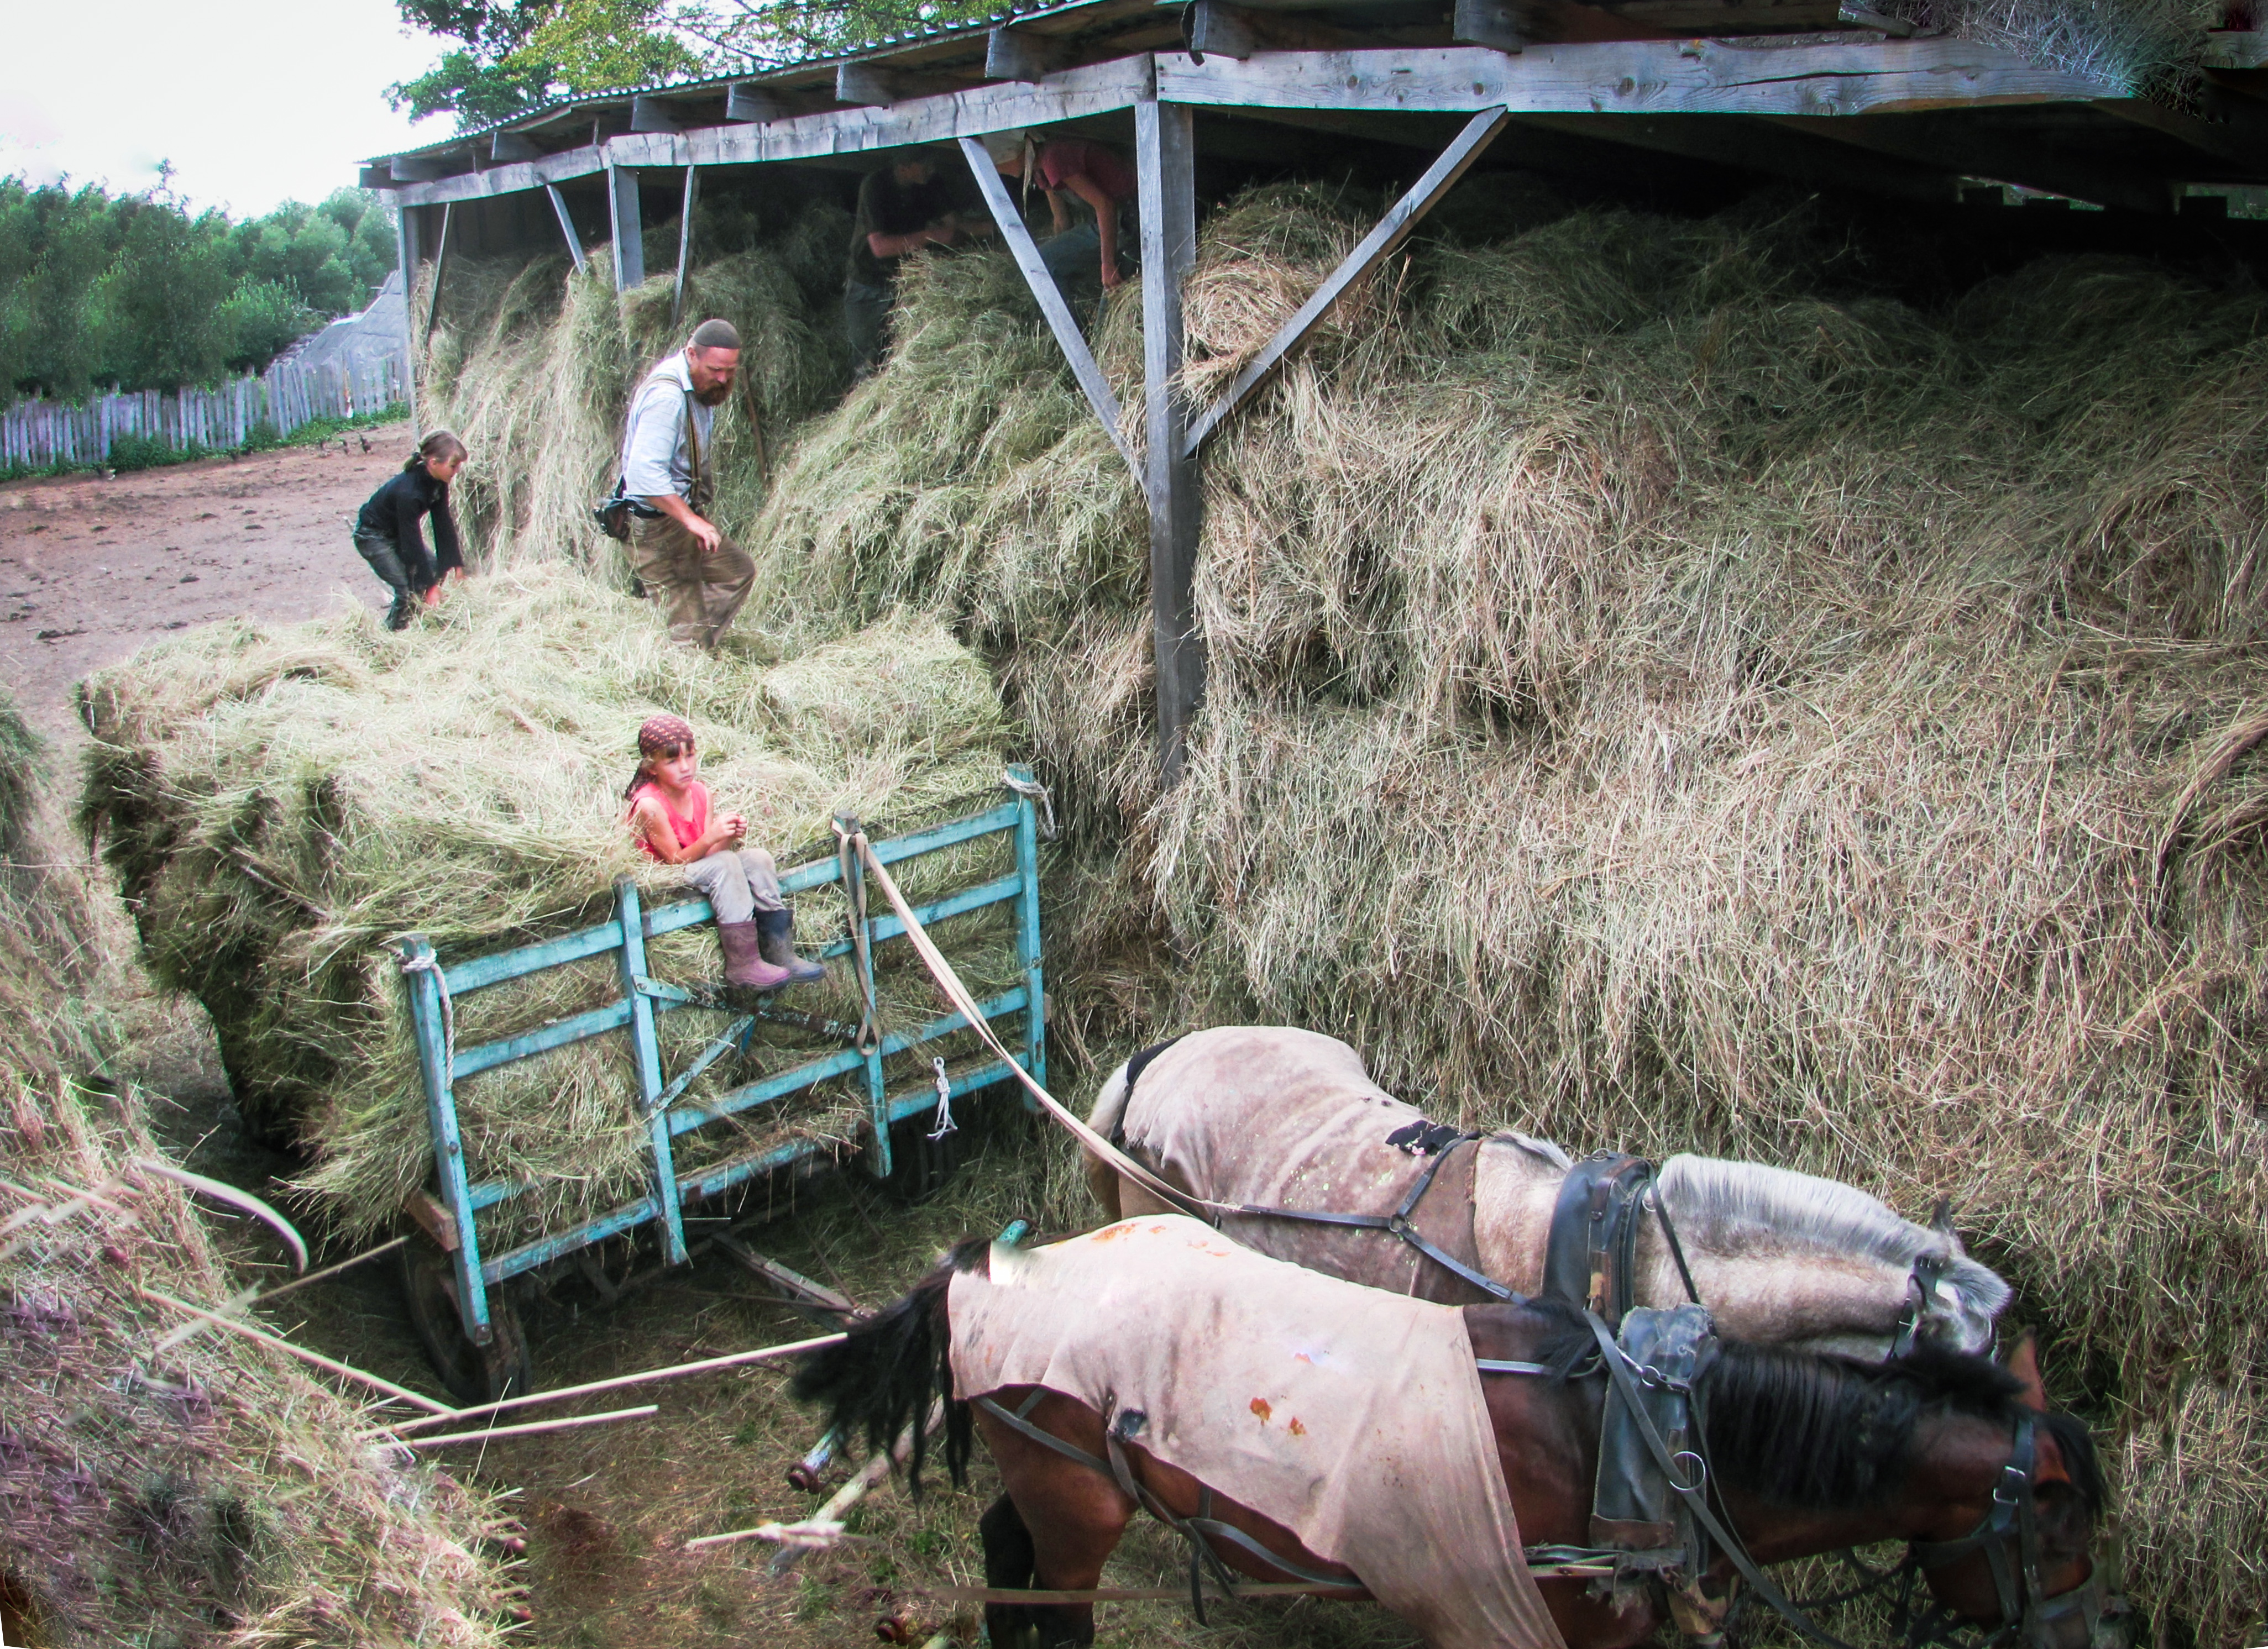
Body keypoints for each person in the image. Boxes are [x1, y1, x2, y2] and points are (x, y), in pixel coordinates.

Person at [623, 714, 826, 991]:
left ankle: (780, 951)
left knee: (758, 859)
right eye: (672, 761)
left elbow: (712, 855)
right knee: (726, 863)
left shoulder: (700, 792)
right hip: (667, 884)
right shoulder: (649, 805)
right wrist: (711, 838)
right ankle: (743, 964)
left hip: (701, 869)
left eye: (690, 756)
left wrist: (727, 837)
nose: (685, 767)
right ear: (652, 767)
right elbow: (673, 861)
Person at [619, 318, 756, 651]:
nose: (723, 379)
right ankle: (684, 654)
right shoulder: (667, 398)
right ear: (691, 354)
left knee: (736, 572)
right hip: (655, 528)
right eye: (715, 370)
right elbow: (643, 476)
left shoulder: (697, 386)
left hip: (678, 518)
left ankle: (688, 640)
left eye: (730, 371)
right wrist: (691, 519)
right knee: (687, 629)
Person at [844, 151, 985, 379]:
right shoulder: (876, 186)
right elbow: (879, 248)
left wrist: (1004, 229)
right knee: (868, 359)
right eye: (925, 162)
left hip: (906, 281)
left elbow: (955, 225)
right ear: (903, 165)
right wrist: (931, 236)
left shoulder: (929, 183)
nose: (932, 168)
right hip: (869, 281)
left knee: (902, 355)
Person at [984, 129, 1136, 293]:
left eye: (997, 163)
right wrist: (1062, 255)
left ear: (1009, 153)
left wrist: (1107, 263)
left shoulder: (1053, 160)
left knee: (1044, 263)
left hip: (1130, 217)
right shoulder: (1039, 170)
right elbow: (1061, 221)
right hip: (1111, 218)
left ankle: (1067, 316)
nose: (998, 169)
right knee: (1047, 259)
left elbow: (1105, 205)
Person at [352, 429, 467, 631]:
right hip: (373, 537)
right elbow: (411, 542)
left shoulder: (438, 483)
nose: (457, 470)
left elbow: (443, 524)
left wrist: (455, 563)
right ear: (433, 463)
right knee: (406, 589)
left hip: (397, 533)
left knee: (432, 571)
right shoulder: (408, 492)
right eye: (453, 465)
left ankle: (419, 624)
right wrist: (430, 588)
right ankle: (391, 634)